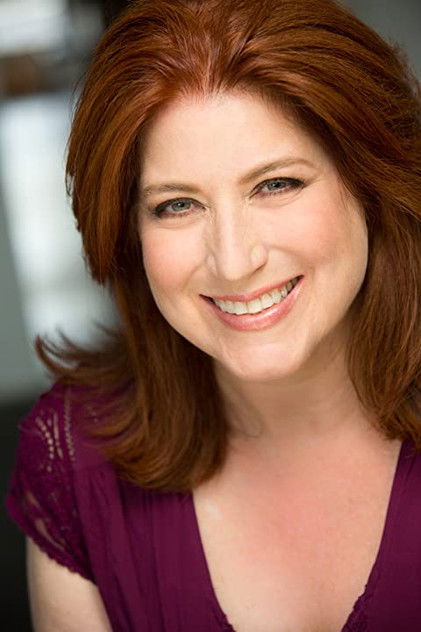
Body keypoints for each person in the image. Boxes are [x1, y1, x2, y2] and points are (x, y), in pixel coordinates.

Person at [5, 0, 420, 630]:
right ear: (129, 231)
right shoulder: (75, 460)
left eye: (276, 184)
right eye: (177, 205)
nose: (233, 261)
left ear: (372, 183)